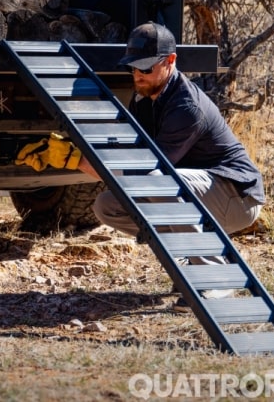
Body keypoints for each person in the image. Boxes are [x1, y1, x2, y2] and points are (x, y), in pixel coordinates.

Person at [90, 21, 264, 306]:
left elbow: (150, 168)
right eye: (133, 67)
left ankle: (216, 276)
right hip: (200, 192)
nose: (138, 75)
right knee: (108, 205)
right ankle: (185, 265)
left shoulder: (187, 107)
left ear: (170, 61)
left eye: (146, 68)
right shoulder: (144, 99)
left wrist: (92, 165)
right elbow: (132, 154)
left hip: (237, 197)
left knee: (160, 182)